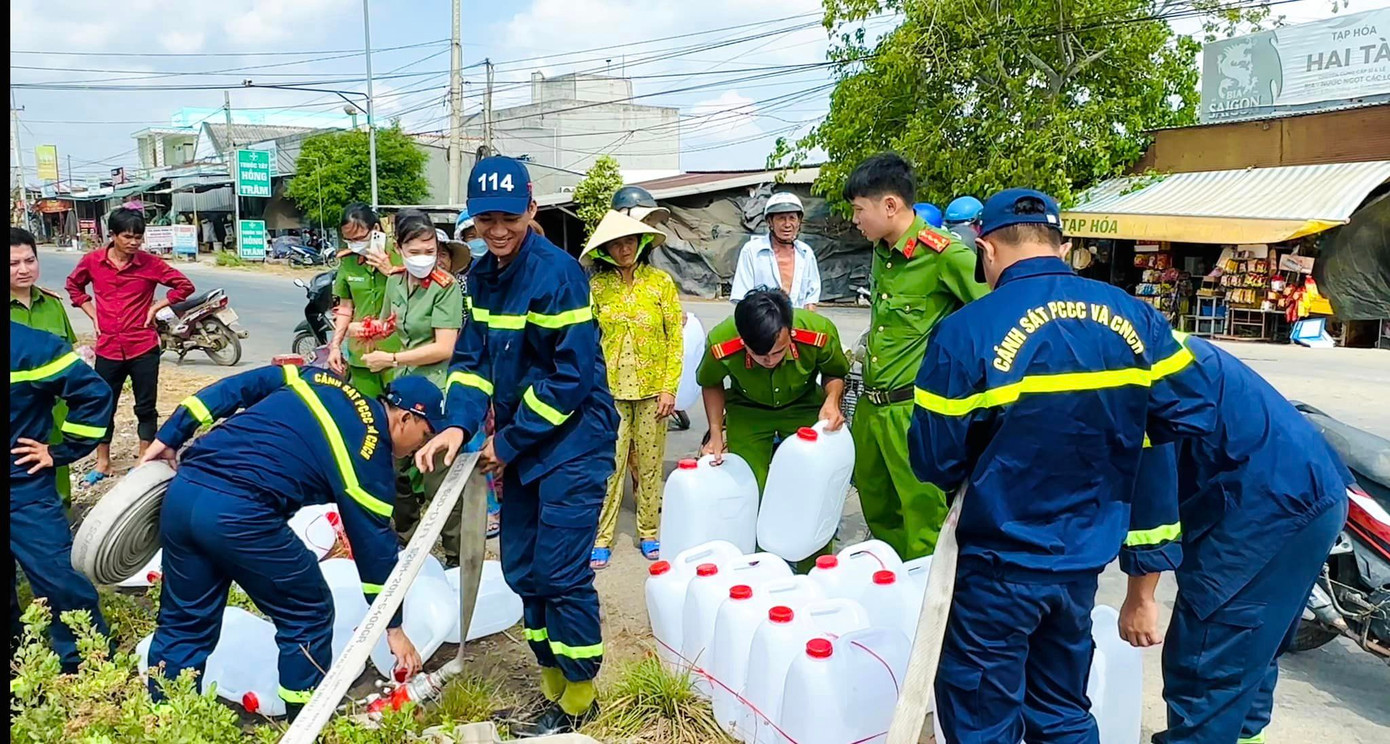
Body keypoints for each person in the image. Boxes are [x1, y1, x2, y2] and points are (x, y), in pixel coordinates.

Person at [907, 188, 1214, 743]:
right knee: (1061, 709)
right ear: (1064, 245)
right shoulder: (1134, 316)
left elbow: (934, 459)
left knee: (981, 714)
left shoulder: (965, 331)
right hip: (1082, 564)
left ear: (987, 250)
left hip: (1001, 563)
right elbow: (1189, 411)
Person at [415, 156, 619, 735]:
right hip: (521, 442)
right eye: (485, 221)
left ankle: (579, 703)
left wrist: (507, 440)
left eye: (508, 217)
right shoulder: (480, 277)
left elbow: (570, 379)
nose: (497, 231)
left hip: (573, 441)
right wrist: (457, 424)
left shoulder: (559, 275)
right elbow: (472, 361)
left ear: (531, 210)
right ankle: (551, 686)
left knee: (560, 573)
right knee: (524, 569)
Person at [139, 366, 437, 719]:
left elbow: (235, 387)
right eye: (425, 435)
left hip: (184, 492)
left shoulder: (316, 378)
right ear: (405, 419)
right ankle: (304, 721)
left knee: (184, 622)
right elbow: (375, 551)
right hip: (241, 516)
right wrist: (394, 627)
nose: (421, 447)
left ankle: (166, 721)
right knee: (309, 612)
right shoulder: (369, 457)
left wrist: (172, 434)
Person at [1119, 357, 1351, 744]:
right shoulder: (1167, 349)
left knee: (1206, 669)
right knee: (1249, 660)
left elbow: (1152, 509)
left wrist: (1140, 599)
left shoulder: (1135, 383)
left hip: (1264, 511)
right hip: (1314, 496)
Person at [843, 153, 989, 560]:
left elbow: (996, 312)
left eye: (859, 210)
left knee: (921, 515)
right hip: (870, 407)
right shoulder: (881, 252)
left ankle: (923, 604)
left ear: (890, 205)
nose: (855, 220)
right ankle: (890, 588)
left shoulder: (945, 255)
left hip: (911, 411)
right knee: (876, 505)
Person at [698, 287, 850, 568]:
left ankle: (813, 567)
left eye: (777, 352)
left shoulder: (818, 333)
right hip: (748, 410)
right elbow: (711, 382)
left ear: (790, 333)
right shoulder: (722, 342)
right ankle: (759, 566)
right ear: (743, 341)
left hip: (803, 405)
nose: (769, 361)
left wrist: (831, 401)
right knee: (749, 487)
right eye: (759, 355)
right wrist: (716, 433)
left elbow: (835, 371)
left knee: (810, 488)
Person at [362, 210, 466, 566]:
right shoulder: (395, 281)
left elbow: (444, 347)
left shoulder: (445, 287)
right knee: (394, 469)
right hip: (402, 389)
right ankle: (402, 539)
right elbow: (392, 323)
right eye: (415, 248)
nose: (423, 256)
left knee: (439, 476)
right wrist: (372, 330)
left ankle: (456, 555)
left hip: (435, 391)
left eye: (430, 248)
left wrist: (390, 360)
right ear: (400, 248)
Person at [9, 322, 115, 670]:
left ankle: (87, 666)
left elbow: (93, 394)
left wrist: (62, 450)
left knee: (60, 581)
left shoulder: (30, 346)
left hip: (23, 489)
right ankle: (18, 667)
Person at [65, 207, 195, 485]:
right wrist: (93, 314)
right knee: (104, 404)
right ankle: (103, 462)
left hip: (143, 346)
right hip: (109, 347)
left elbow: (184, 287)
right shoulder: (92, 262)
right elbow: (74, 288)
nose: (134, 242)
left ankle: (143, 459)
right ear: (112, 235)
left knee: (145, 406)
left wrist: (157, 306)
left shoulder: (150, 264)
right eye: (128, 237)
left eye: (138, 237)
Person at [583, 210, 683, 568]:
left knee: (651, 466)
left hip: (654, 390)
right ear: (605, 249)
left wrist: (669, 388)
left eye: (630, 242)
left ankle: (650, 532)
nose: (624, 249)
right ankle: (602, 537)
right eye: (617, 244)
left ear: (640, 243)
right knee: (609, 466)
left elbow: (675, 341)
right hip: (609, 392)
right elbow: (587, 339)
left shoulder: (660, 283)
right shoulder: (597, 288)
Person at [11, 226, 81, 507]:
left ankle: (62, 520)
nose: (23, 269)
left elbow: (69, 355)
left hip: (54, 407)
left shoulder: (52, 305)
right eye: (13, 264)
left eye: (30, 260)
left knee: (58, 468)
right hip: (18, 412)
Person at [325, 203, 402, 399]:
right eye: (348, 240)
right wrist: (335, 345)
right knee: (367, 414)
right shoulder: (348, 261)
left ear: (375, 230)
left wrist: (390, 271)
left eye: (358, 239)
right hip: (362, 354)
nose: (354, 245)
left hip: (398, 352)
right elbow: (345, 307)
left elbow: (417, 295)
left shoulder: (400, 254)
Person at [730, 192, 821, 311]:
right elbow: (742, 296)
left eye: (792, 218)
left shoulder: (805, 253)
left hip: (797, 323)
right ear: (770, 222)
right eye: (781, 219)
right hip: (762, 322)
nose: (787, 225)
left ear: (799, 222)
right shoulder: (752, 251)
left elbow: (811, 299)